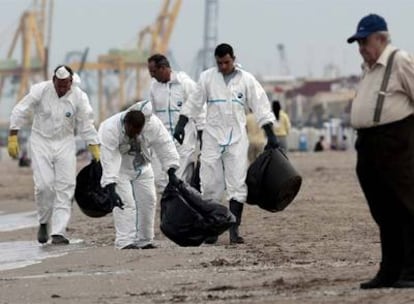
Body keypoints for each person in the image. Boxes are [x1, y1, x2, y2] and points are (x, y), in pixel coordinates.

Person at [173, 43, 279, 244]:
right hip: (212, 138)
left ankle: (233, 230)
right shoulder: (207, 78)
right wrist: (181, 124)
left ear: (234, 59)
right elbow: (194, 102)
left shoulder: (246, 80)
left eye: (226, 62)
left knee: (237, 184)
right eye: (219, 63)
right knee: (209, 184)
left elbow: (261, 105)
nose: (223, 66)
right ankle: (213, 228)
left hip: (237, 139)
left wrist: (270, 134)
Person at [348, 14, 414, 289]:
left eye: (365, 41)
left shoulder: (399, 61)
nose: (361, 47)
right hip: (369, 144)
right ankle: (390, 270)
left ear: (382, 38)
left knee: (407, 208)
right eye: (358, 42)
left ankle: (411, 271)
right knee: (383, 211)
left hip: (395, 142)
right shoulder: (368, 68)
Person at [8, 65, 100, 245]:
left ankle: (58, 231)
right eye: (59, 85)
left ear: (71, 82)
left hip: (65, 142)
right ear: (53, 80)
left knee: (66, 187)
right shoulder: (40, 90)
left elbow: (86, 123)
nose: (62, 89)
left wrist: (94, 146)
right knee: (44, 186)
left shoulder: (79, 97)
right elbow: (21, 109)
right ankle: (44, 221)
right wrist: (13, 135)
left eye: (65, 85)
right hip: (40, 141)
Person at [98, 102, 180, 250]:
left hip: (142, 165)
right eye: (132, 131)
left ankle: (144, 240)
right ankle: (125, 241)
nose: (135, 134)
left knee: (149, 200)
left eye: (138, 131)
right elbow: (109, 159)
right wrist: (111, 187)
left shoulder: (152, 124)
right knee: (125, 202)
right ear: (126, 123)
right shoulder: (110, 129)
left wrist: (171, 171)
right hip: (120, 168)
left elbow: (165, 145)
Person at [147, 54, 204, 193]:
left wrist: (203, 137)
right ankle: (169, 210)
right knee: (160, 181)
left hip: (184, 142)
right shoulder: (154, 88)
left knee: (181, 180)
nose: (151, 75)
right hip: (162, 141)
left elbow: (200, 110)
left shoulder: (186, 84)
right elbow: (152, 115)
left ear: (164, 68)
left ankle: (183, 212)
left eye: (153, 71)